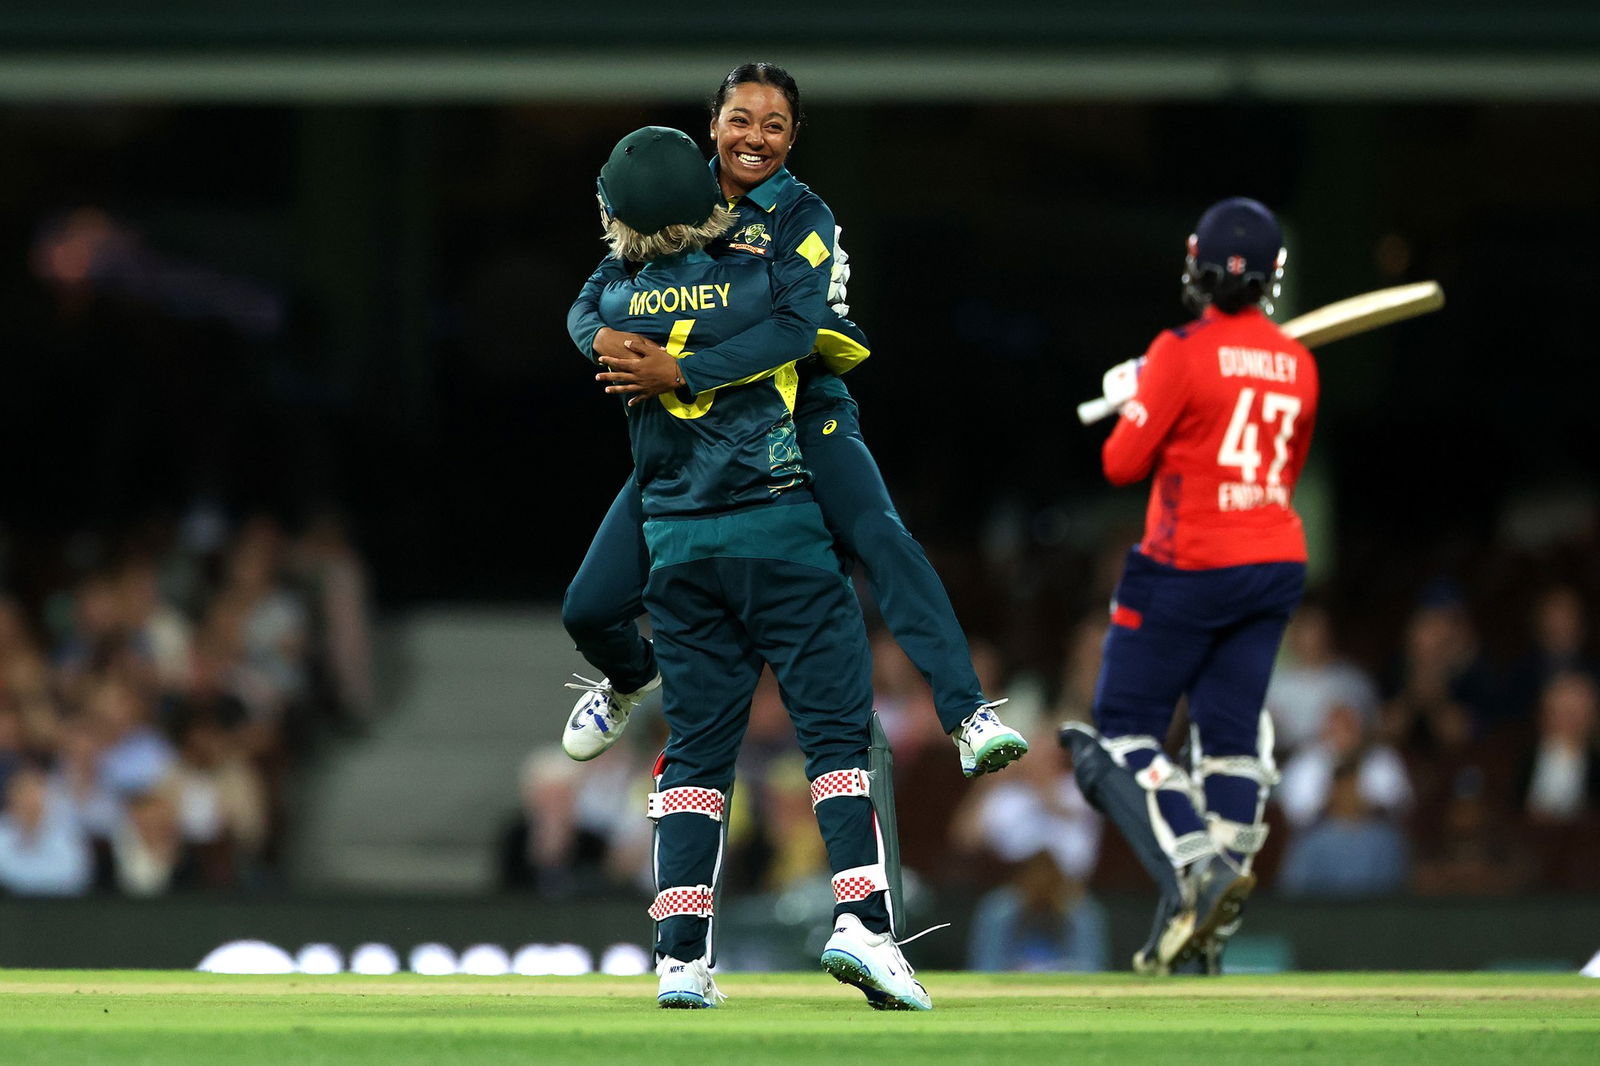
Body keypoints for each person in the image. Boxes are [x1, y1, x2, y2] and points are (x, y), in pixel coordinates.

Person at [561, 62, 1025, 779]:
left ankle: (966, 712)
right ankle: (628, 679)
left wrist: (676, 370)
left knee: (879, 534)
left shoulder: (802, 213)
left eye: (774, 125)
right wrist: (600, 338)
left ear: (795, 135)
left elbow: (793, 331)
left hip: (802, 410)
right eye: (741, 120)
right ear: (712, 122)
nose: (755, 138)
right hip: (692, 440)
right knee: (590, 608)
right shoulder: (674, 188)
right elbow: (590, 297)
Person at [583, 124, 932, 1010]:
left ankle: (680, 957)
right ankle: (865, 926)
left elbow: (585, 309)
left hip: (680, 550)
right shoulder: (757, 279)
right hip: (779, 534)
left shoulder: (617, 309)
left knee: (696, 754)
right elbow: (813, 328)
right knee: (838, 740)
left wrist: (645, 357)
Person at [1059, 197, 1320, 975]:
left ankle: (1199, 862)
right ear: (1273, 275)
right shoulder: (1300, 364)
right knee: (1231, 735)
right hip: (1272, 557)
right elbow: (1285, 466)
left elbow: (1120, 464)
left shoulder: (1178, 350)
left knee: (1126, 728)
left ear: (1195, 264)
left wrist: (1144, 395)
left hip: (1186, 561)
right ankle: (1214, 924)